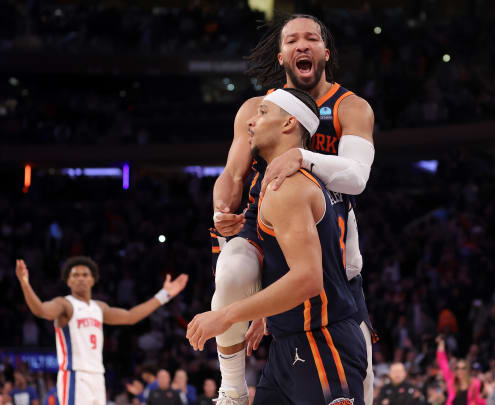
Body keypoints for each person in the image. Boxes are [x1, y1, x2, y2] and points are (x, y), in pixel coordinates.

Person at [209, 13, 376, 405]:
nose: (302, 45)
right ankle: (232, 388)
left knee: (362, 375)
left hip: (327, 234)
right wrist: (220, 209)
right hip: (264, 226)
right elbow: (231, 177)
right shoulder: (257, 110)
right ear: (282, 56)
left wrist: (301, 157)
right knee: (231, 274)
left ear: (325, 52)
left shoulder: (350, 108)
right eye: (292, 40)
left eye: (311, 39)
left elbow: (356, 178)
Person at [187, 88, 367, 405]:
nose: (252, 122)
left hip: (322, 343)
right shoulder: (275, 185)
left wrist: (226, 316)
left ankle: (231, 389)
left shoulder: (290, 188)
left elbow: (307, 279)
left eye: (263, 113)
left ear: (288, 124)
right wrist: (264, 312)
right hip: (288, 347)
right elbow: (283, 267)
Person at [15, 257, 188, 405]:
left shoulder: (100, 308)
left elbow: (131, 316)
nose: (81, 278)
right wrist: (24, 283)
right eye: (75, 275)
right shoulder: (65, 304)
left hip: (98, 376)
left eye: (85, 274)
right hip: (75, 375)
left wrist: (164, 294)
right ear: (68, 281)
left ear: (92, 279)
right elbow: (41, 310)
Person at [436, 337, 485, 405]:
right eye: (457, 368)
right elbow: (443, 364)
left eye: (463, 368)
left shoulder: (475, 383)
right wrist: (441, 345)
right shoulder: (451, 381)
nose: (460, 370)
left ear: (467, 369)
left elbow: (478, 401)